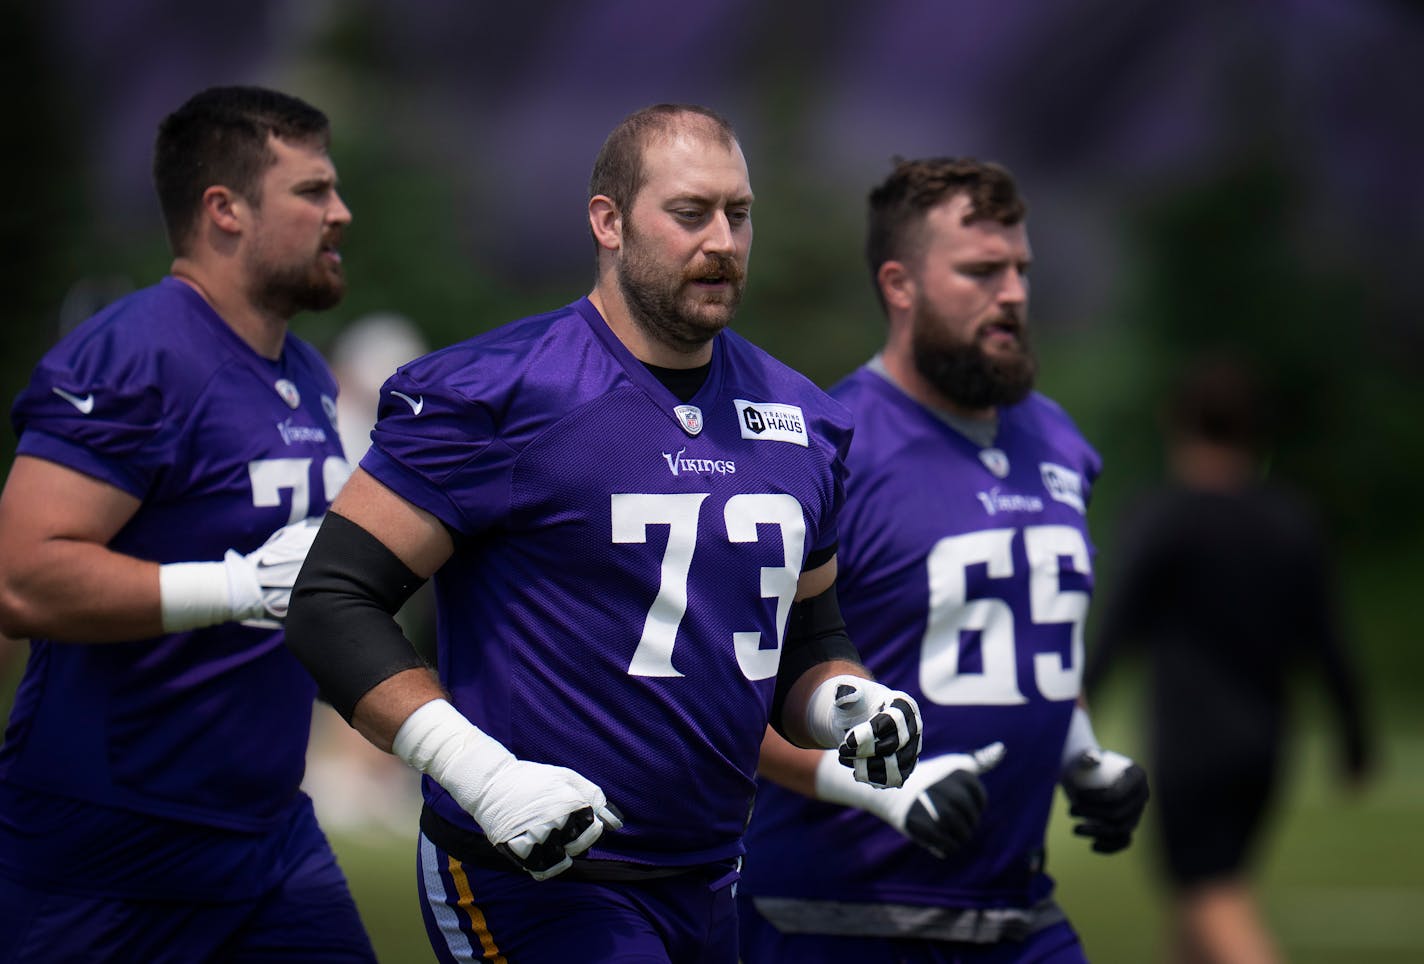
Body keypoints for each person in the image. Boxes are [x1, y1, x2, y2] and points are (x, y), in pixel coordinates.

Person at [283, 103, 924, 964]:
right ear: (609, 221)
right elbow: (332, 600)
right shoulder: (500, 394)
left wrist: (851, 705)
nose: (723, 242)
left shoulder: (801, 418)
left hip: (707, 874)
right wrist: (483, 777)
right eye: (690, 213)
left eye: (739, 214)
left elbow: (807, 642)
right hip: (534, 875)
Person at [737, 157, 1150, 962]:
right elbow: (732, 698)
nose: (1015, 294)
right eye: (981, 271)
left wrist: (1085, 757)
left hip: (1014, 910)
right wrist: (879, 791)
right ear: (900, 285)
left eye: (1022, 269)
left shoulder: (1059, 437)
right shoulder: (828, 448)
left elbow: (1034, 640)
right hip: (837, 913)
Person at [0, 86, 376, 962]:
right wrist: (238, 587)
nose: (341, 213)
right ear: (225, 211)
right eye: (313, 191)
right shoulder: (135, 354)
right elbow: (20, 576)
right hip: (112, 837)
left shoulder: (306, 369)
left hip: (268, 831)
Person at [1084, 353, 1373, 964]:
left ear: (1178, 426)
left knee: (1210, 894)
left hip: (1194, 745)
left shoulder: (1166, 518)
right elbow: (1329, 641)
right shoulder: (1292, 521)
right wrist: (1355, 738)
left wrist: (1074, 710)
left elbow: (1118, 625)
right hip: (1265, 745)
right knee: (1202, 901)